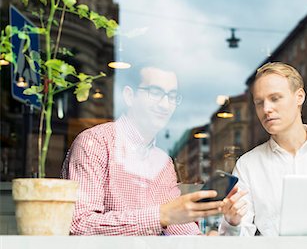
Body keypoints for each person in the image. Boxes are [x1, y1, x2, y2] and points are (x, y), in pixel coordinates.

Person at [62, 64, 246, 235]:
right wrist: (160, 216)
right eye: (155, 93)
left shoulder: (162, 162)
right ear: (129, 96)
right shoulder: (94, 143)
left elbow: (178, 228)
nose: (165, 104)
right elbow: (79, 225)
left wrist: (212, 236)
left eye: (172, 96)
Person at [219, 62, 307, 236]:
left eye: (275, 98)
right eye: (259, 102)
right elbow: (235, 241)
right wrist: (233, 222)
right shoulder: (248, 165)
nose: (266, 109)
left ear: (299, 97)